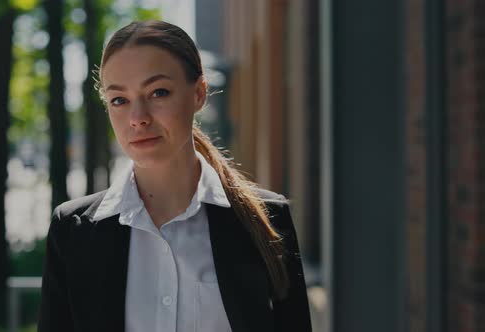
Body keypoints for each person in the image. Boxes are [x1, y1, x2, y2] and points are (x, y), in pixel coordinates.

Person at [37, 20, 312, 332]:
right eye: (119, 100)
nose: (138, 118)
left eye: (158, 92)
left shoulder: (267, 219)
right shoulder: (73, 232)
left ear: (198, 94)